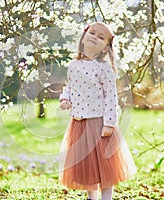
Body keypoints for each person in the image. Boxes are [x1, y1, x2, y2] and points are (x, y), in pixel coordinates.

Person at [58, 22, 136, 200]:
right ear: (83, 37)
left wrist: (109, 123)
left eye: (101, 37)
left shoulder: (104, 68)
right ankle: (92, 197)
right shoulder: (73, 64)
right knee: (87, 167)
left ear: (105, 48)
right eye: (92, 33)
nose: (94, 37)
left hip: (99, 123)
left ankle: (106, 198)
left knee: (106, 166)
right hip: (79, 123)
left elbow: (111, 96)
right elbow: (71, 87)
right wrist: (65, 98)